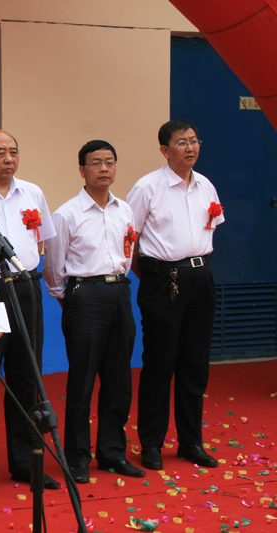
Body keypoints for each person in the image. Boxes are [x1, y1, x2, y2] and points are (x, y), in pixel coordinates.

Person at [43, 140, 145, 483]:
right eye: (96, 162)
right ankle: (77, 458)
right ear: (82, 169)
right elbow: (54, 269)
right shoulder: (67, 213)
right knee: (82, 382)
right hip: (84, 296)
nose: (104, 168)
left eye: (110, 162)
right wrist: (72, 300)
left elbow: (128, 253)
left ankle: (112, 453)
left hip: (120, 292)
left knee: (119, 381)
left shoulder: (125, 210)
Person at [0, 130, 60, 495]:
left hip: (26, 287)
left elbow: (43, 240)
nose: (9, 159)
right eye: (0, 152)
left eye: (14, 152)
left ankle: (25, 464)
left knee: (27, 379)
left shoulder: (32, 193)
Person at [127, 119, 224, 470]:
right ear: (165, 150)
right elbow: (129, 239)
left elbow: (210, 230)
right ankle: (151, 443)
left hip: (201, 278)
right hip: (163, 280)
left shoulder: (205, 185)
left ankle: (190, 442)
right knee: (160, 363)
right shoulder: (147, 187)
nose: (190, 147)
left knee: (194, 365)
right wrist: (152, 277)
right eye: (182, 142)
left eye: (194, 141)